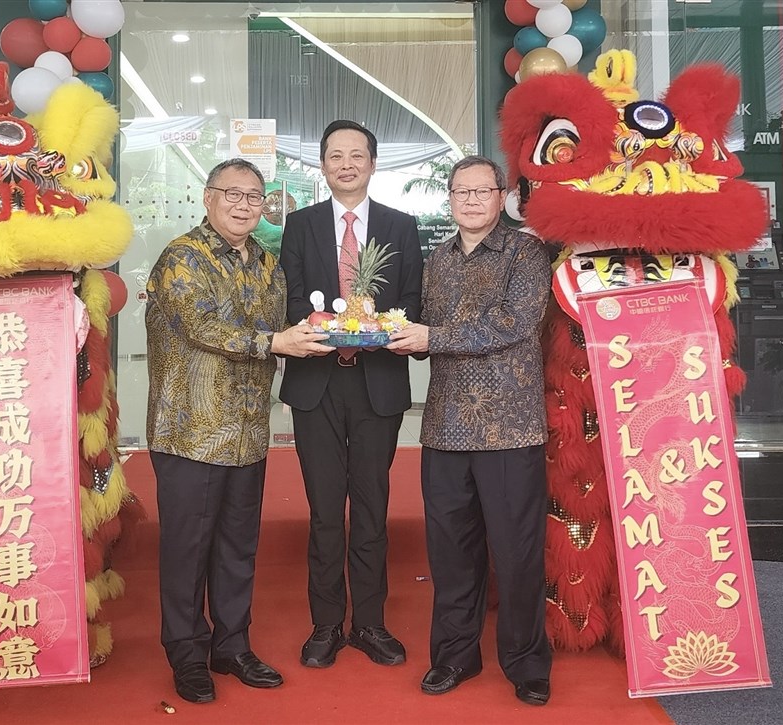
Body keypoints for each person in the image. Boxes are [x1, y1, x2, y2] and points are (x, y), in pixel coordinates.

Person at [145, 158, 331, 704]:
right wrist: (276, 343)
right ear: (208, 197)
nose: (244, 205)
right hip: (192, 432)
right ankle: (186, 653)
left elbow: (282, 326)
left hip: (248, 433)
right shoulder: (183, 257)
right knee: (187, 549)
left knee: (236, 548)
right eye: (233, 194)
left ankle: (231, 645)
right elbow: (202, 324)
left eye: (254, 197)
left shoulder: (267, 265)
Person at [387, 155, 553, 705]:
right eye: (462, 191)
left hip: (510, 429)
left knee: (517, 552)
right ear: (450, 198)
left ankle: (527, 663)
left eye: (483, 191)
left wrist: (430, 337)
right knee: (451, 554)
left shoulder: (527, 253)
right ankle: (455, 656)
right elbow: (415, 329)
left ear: (501, 195)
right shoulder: (435, 261)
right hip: (444, 429)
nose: (472, 201)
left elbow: (514, 322)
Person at [279, 120, 423, 668]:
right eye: (335, 155)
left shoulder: (401, 225)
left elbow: (409, 298)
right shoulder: (300, 225)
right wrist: (318, 331)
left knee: (371, 507)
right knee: (322, 512)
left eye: (356, 155)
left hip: (377, 386)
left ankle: (370, 623)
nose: (346, 164)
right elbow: (290, 297)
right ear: (322, 165)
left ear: (372, 163)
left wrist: (381, 330)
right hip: (316, 385)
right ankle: (324, 626)